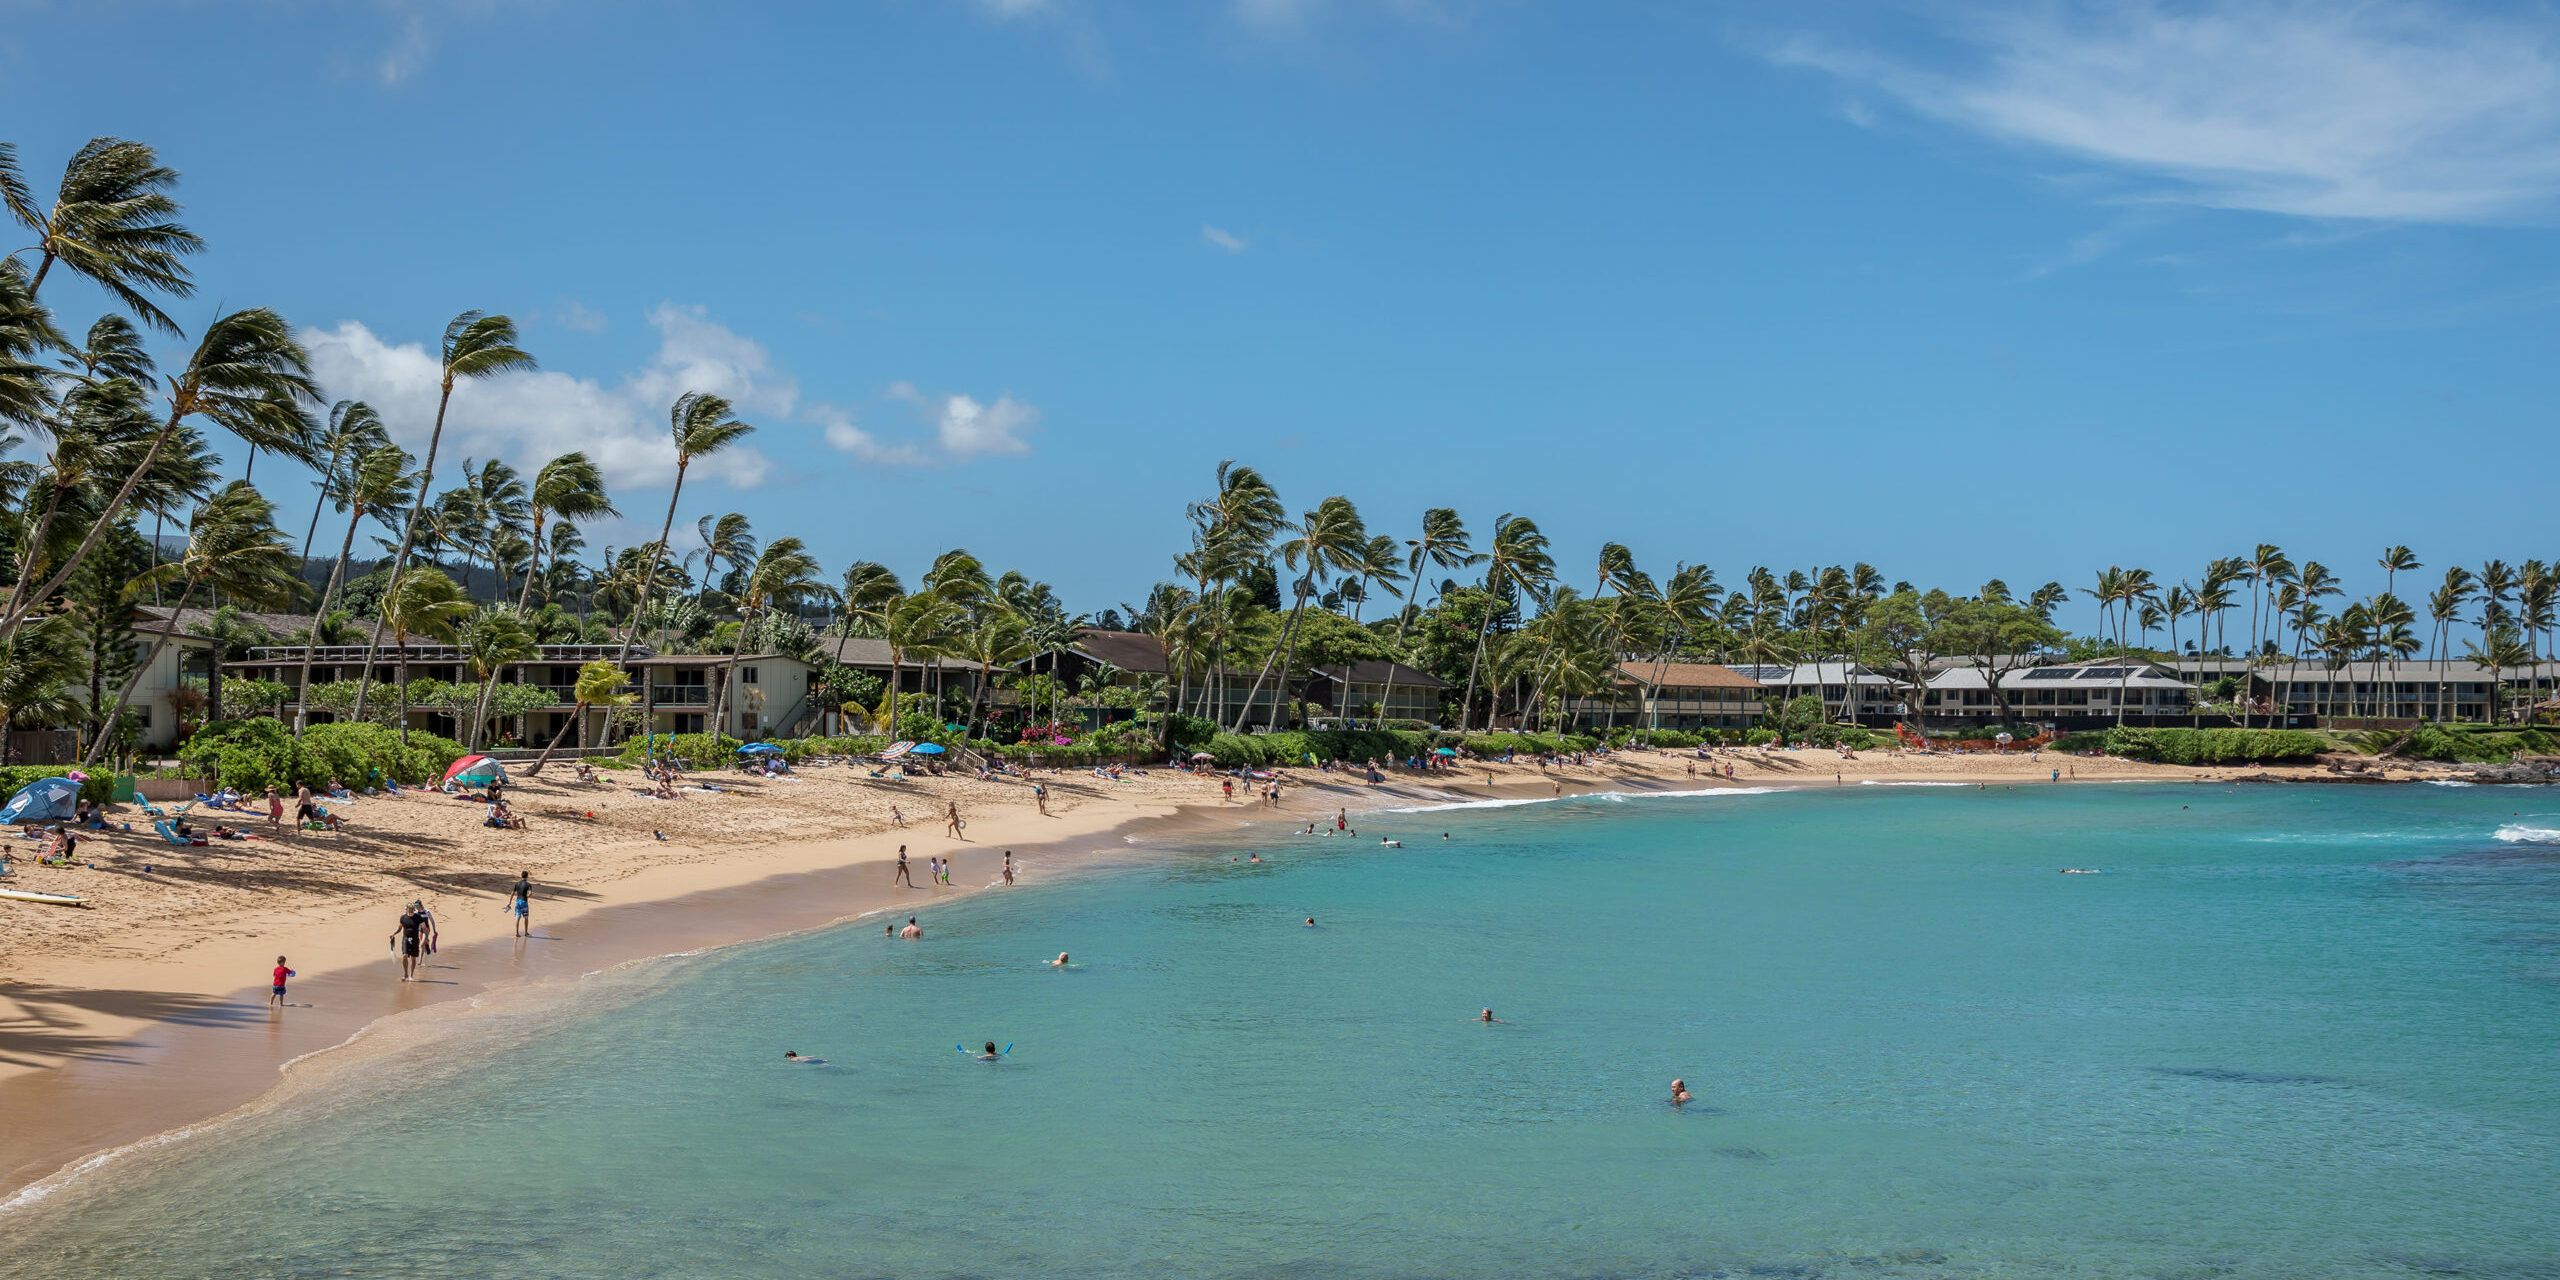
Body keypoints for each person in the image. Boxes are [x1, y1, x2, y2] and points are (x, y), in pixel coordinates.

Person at [391, 904, 428, 981]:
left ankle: (411, 975)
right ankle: (405, 974)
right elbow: (399, 928)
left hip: (415, 939)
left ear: (414, 909)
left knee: (413, 958)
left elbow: (425, 928)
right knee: (404, 955)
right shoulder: (403, 917)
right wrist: (393, 934)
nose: (410, 909)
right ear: (407, 909)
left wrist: (425, 938)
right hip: (406, 939)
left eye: (412, 908)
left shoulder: (418, 917)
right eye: (409, 908)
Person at [506, 871, 533, 937]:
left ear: (521, 876)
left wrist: (509, 902)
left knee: (517, 918)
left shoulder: (517, 884)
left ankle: (517, 933)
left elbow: (512, 893)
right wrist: (527, 897)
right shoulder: (528, 884)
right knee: (526, 917)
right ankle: (526, 932)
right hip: (524, 902)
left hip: (518, 902)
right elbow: (530, 893)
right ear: (527, 876)